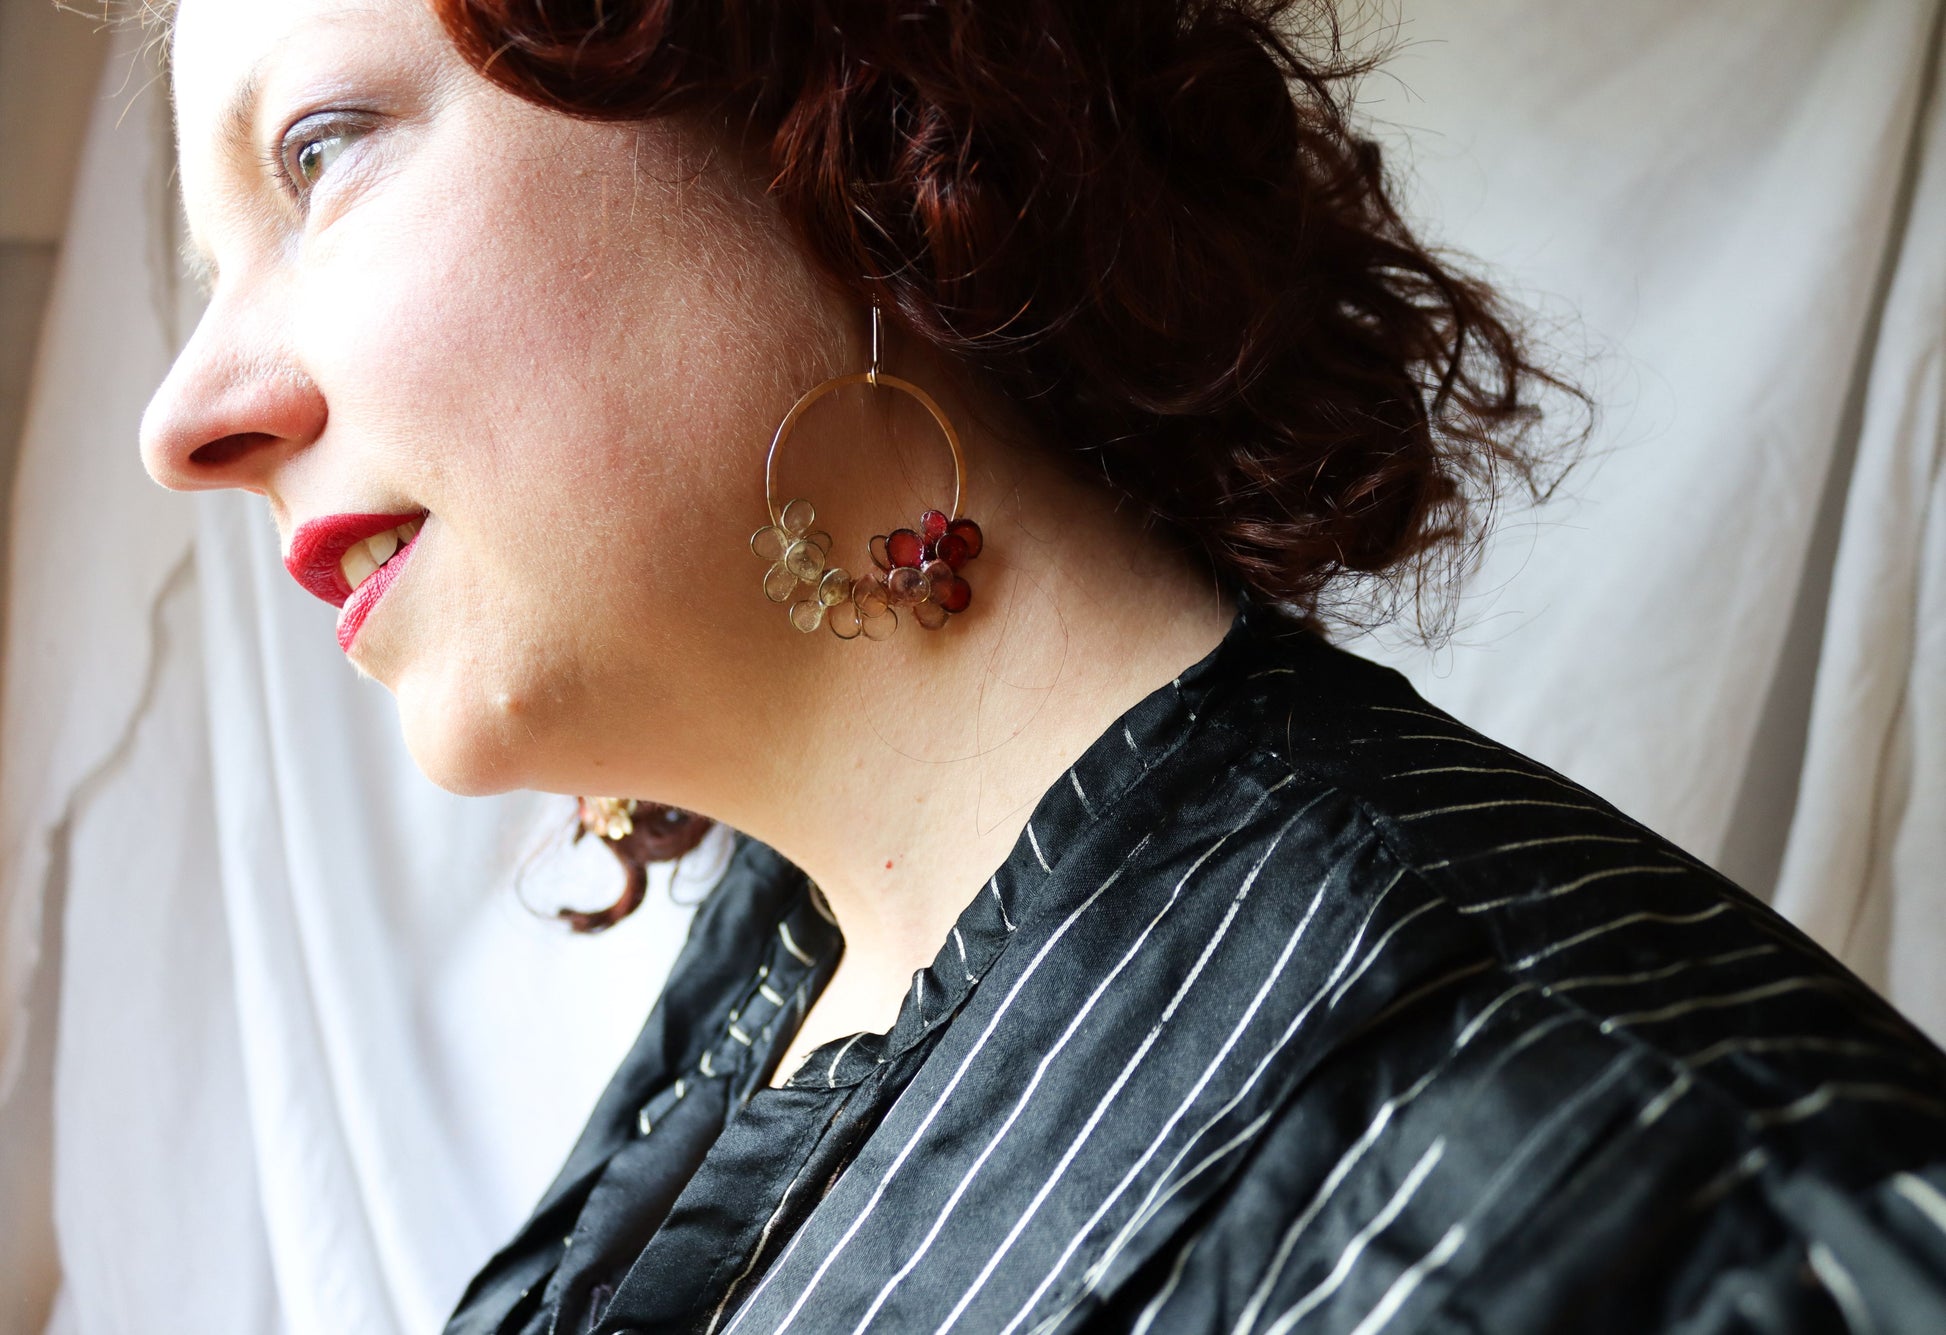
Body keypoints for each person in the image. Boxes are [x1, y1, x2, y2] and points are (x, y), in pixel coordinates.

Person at [138, 0, 1946, 1330]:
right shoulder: (788, 956)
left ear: (838, 92)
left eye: (319, 148)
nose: (182, 420)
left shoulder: (1644, 1191)